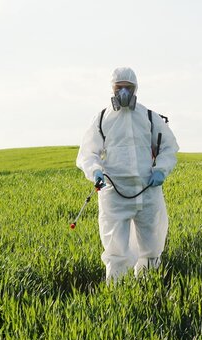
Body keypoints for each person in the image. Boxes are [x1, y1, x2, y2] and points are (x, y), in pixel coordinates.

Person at [76, 67, 179, 282]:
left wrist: (160, 169)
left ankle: (149, 288)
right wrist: (95, 171)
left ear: (135, 89)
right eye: (118, 88)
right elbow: (88, 152)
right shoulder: (103, 118)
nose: (123, 93)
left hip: (147, 189)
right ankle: (118, 293)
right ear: (112, 89)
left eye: (128, 88)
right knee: (115, 249)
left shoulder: (149, 117)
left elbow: (169, 147)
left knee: (151, 246)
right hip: (114, 193)